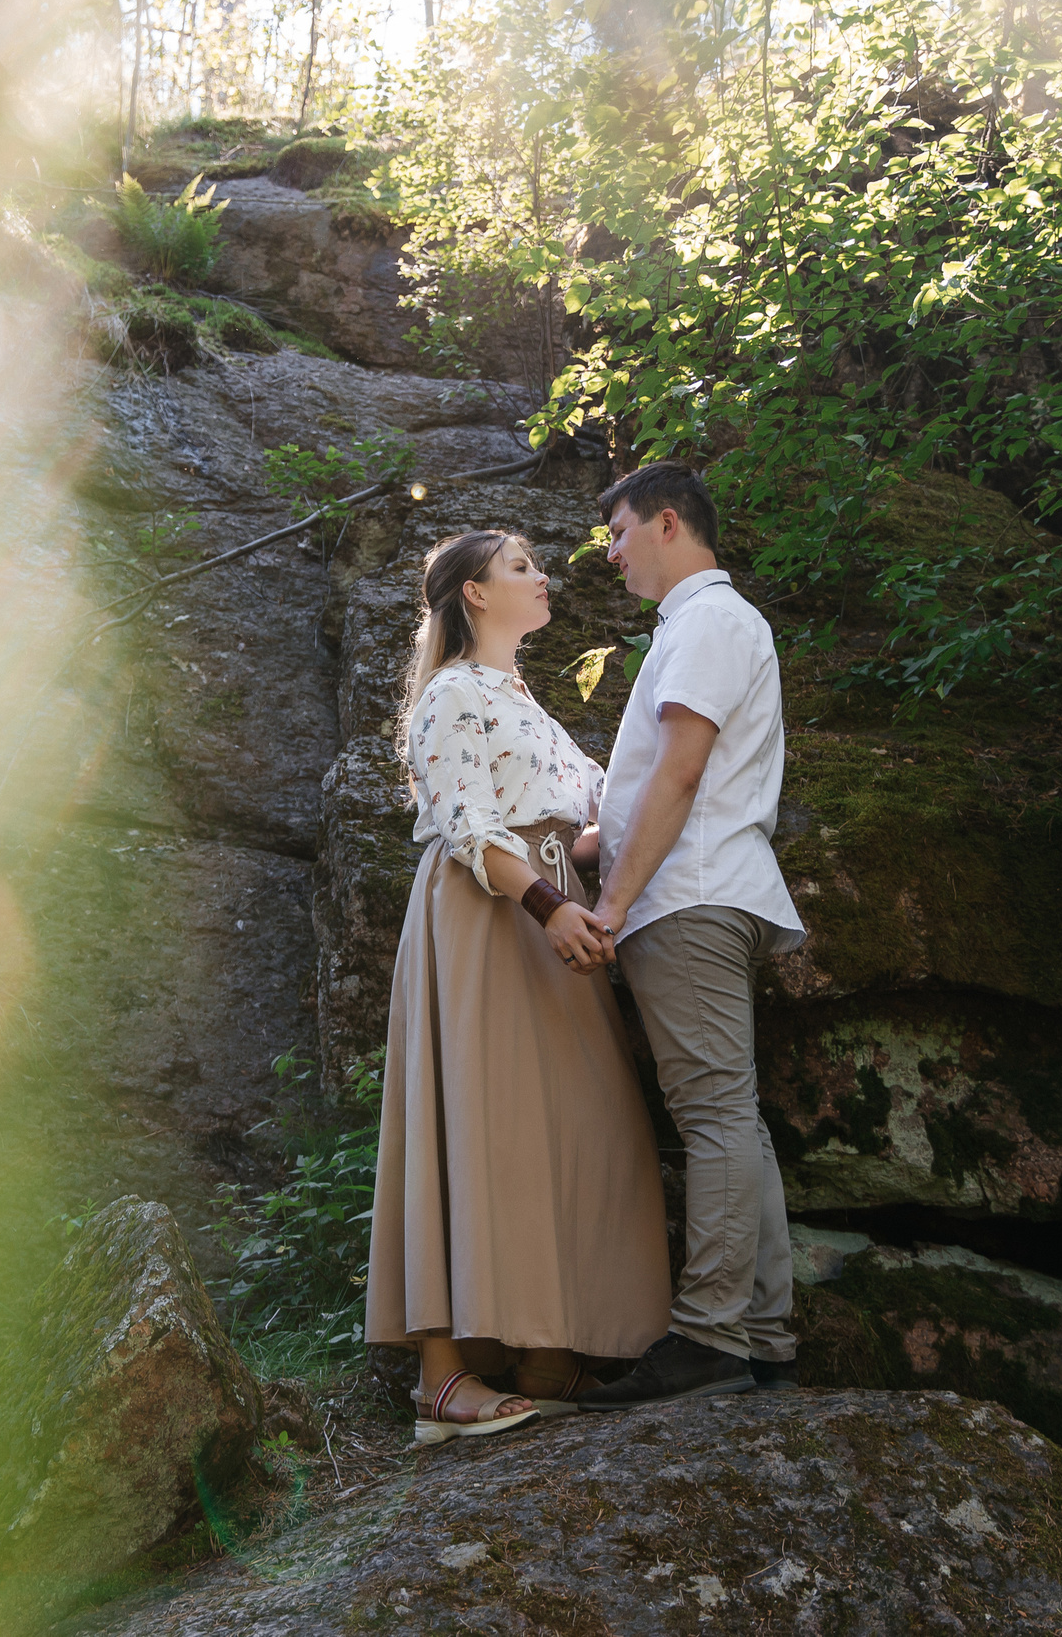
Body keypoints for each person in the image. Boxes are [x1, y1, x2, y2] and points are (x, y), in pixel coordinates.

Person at [364, 529, 674, 1446]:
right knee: (470, 1124)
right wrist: (549, 905)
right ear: (474, 595)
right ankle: (442, 1374)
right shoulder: (453, 692)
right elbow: (465, 820)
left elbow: (581, 820)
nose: (545, 577)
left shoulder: (524, 700)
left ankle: (545, 1350)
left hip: (550, 914)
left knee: (577, 1124)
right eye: (522, 567)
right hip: (488, 916)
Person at [572, 463, 808, 1411]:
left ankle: (710, 1335)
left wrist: (612, 904)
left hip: (692, 895)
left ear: (669, 522)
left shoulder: (709, 620)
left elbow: (680, 772)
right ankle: (763, 1335)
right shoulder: (701, 625)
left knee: (713, 1114)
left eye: (621, 530)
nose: (613, 550)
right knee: (733, 1116)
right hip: (706, 889)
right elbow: (646, 789)